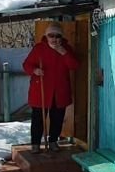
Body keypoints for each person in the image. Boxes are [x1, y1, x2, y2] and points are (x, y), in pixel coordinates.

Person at [22, 24, 79, 153]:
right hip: (41, 90)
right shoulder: (39, 49)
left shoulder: (66, 49)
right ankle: (35, 144)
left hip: (59, 91)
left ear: (61, 37)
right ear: (46, 36)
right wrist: (35, 70)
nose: (54, 39)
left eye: (57, 36)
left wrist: (64, 53)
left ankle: (53, 141)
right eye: (51, 36)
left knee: (57, 118)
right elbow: (26, 65)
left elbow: (74, 66)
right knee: (38, 119)